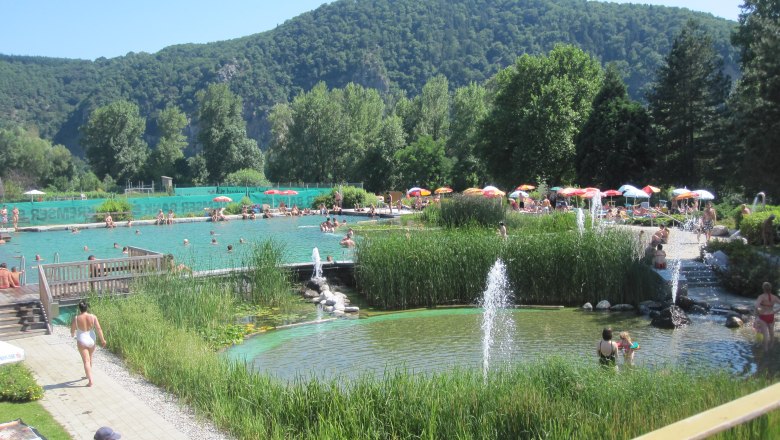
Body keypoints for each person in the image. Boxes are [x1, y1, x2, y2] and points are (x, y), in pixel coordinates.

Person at [70, 300, 106, 387]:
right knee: (90, 357)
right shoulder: (93, 317)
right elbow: (98, 328)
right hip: (91, 339)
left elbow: (72, 330)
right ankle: (88, 374)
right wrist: (103, 340)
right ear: (87, 308)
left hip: (82, 340)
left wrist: (72, 334)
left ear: (80, 309)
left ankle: (90, 380)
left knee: (86, 360)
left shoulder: (76, 318)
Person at [755, 282, 780, 351]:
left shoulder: (761, 296)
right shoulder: (774, 297)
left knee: (765, 333)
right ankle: (771, 346)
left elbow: (756, 306)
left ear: (763, 288)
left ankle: (766, 349)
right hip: (771, 316)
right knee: (771, 332)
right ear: (770, 288)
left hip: (763, 316)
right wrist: (775, 311)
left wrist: (759, 311)